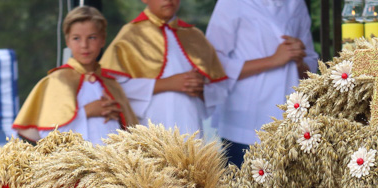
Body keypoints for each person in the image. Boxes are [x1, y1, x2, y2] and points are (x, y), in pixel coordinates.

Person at [206, 0, 318, 167]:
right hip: (245, 124)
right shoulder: (231, 3)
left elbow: (311, 65)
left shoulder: (296, 3)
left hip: (291, 121)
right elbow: (212, 63)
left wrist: (298, 60)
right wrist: (273, 60)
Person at [100, 0, 227, 137]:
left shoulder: (195, 36)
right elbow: (112, 88)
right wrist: (167, 84)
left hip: (190, 126)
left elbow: (219, 90)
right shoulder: (130, 35)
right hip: (150, 128)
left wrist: (200, 88)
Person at [13, 6, 136, 145]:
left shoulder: (111, 83)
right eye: (76, 38)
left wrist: (119, 116)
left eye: (92, 37)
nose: (84, 45)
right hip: (74, 161)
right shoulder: (57, 81)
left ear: (103, 40)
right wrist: (87, 112)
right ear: (67, 41)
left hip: (112, 158)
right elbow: (47, 134)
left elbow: (129, 128)